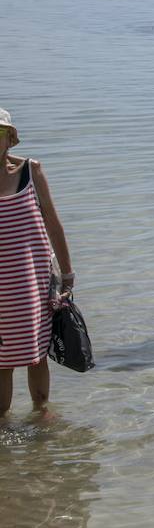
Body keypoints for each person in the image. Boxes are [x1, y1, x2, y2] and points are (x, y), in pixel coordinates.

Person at [0, 109, 74, 417]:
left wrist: (67, 274)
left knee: (36, 354)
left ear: (10, 138)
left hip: (32, 284)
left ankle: (42, 423)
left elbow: (53, 224)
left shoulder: (32, 172)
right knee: (2, 363)